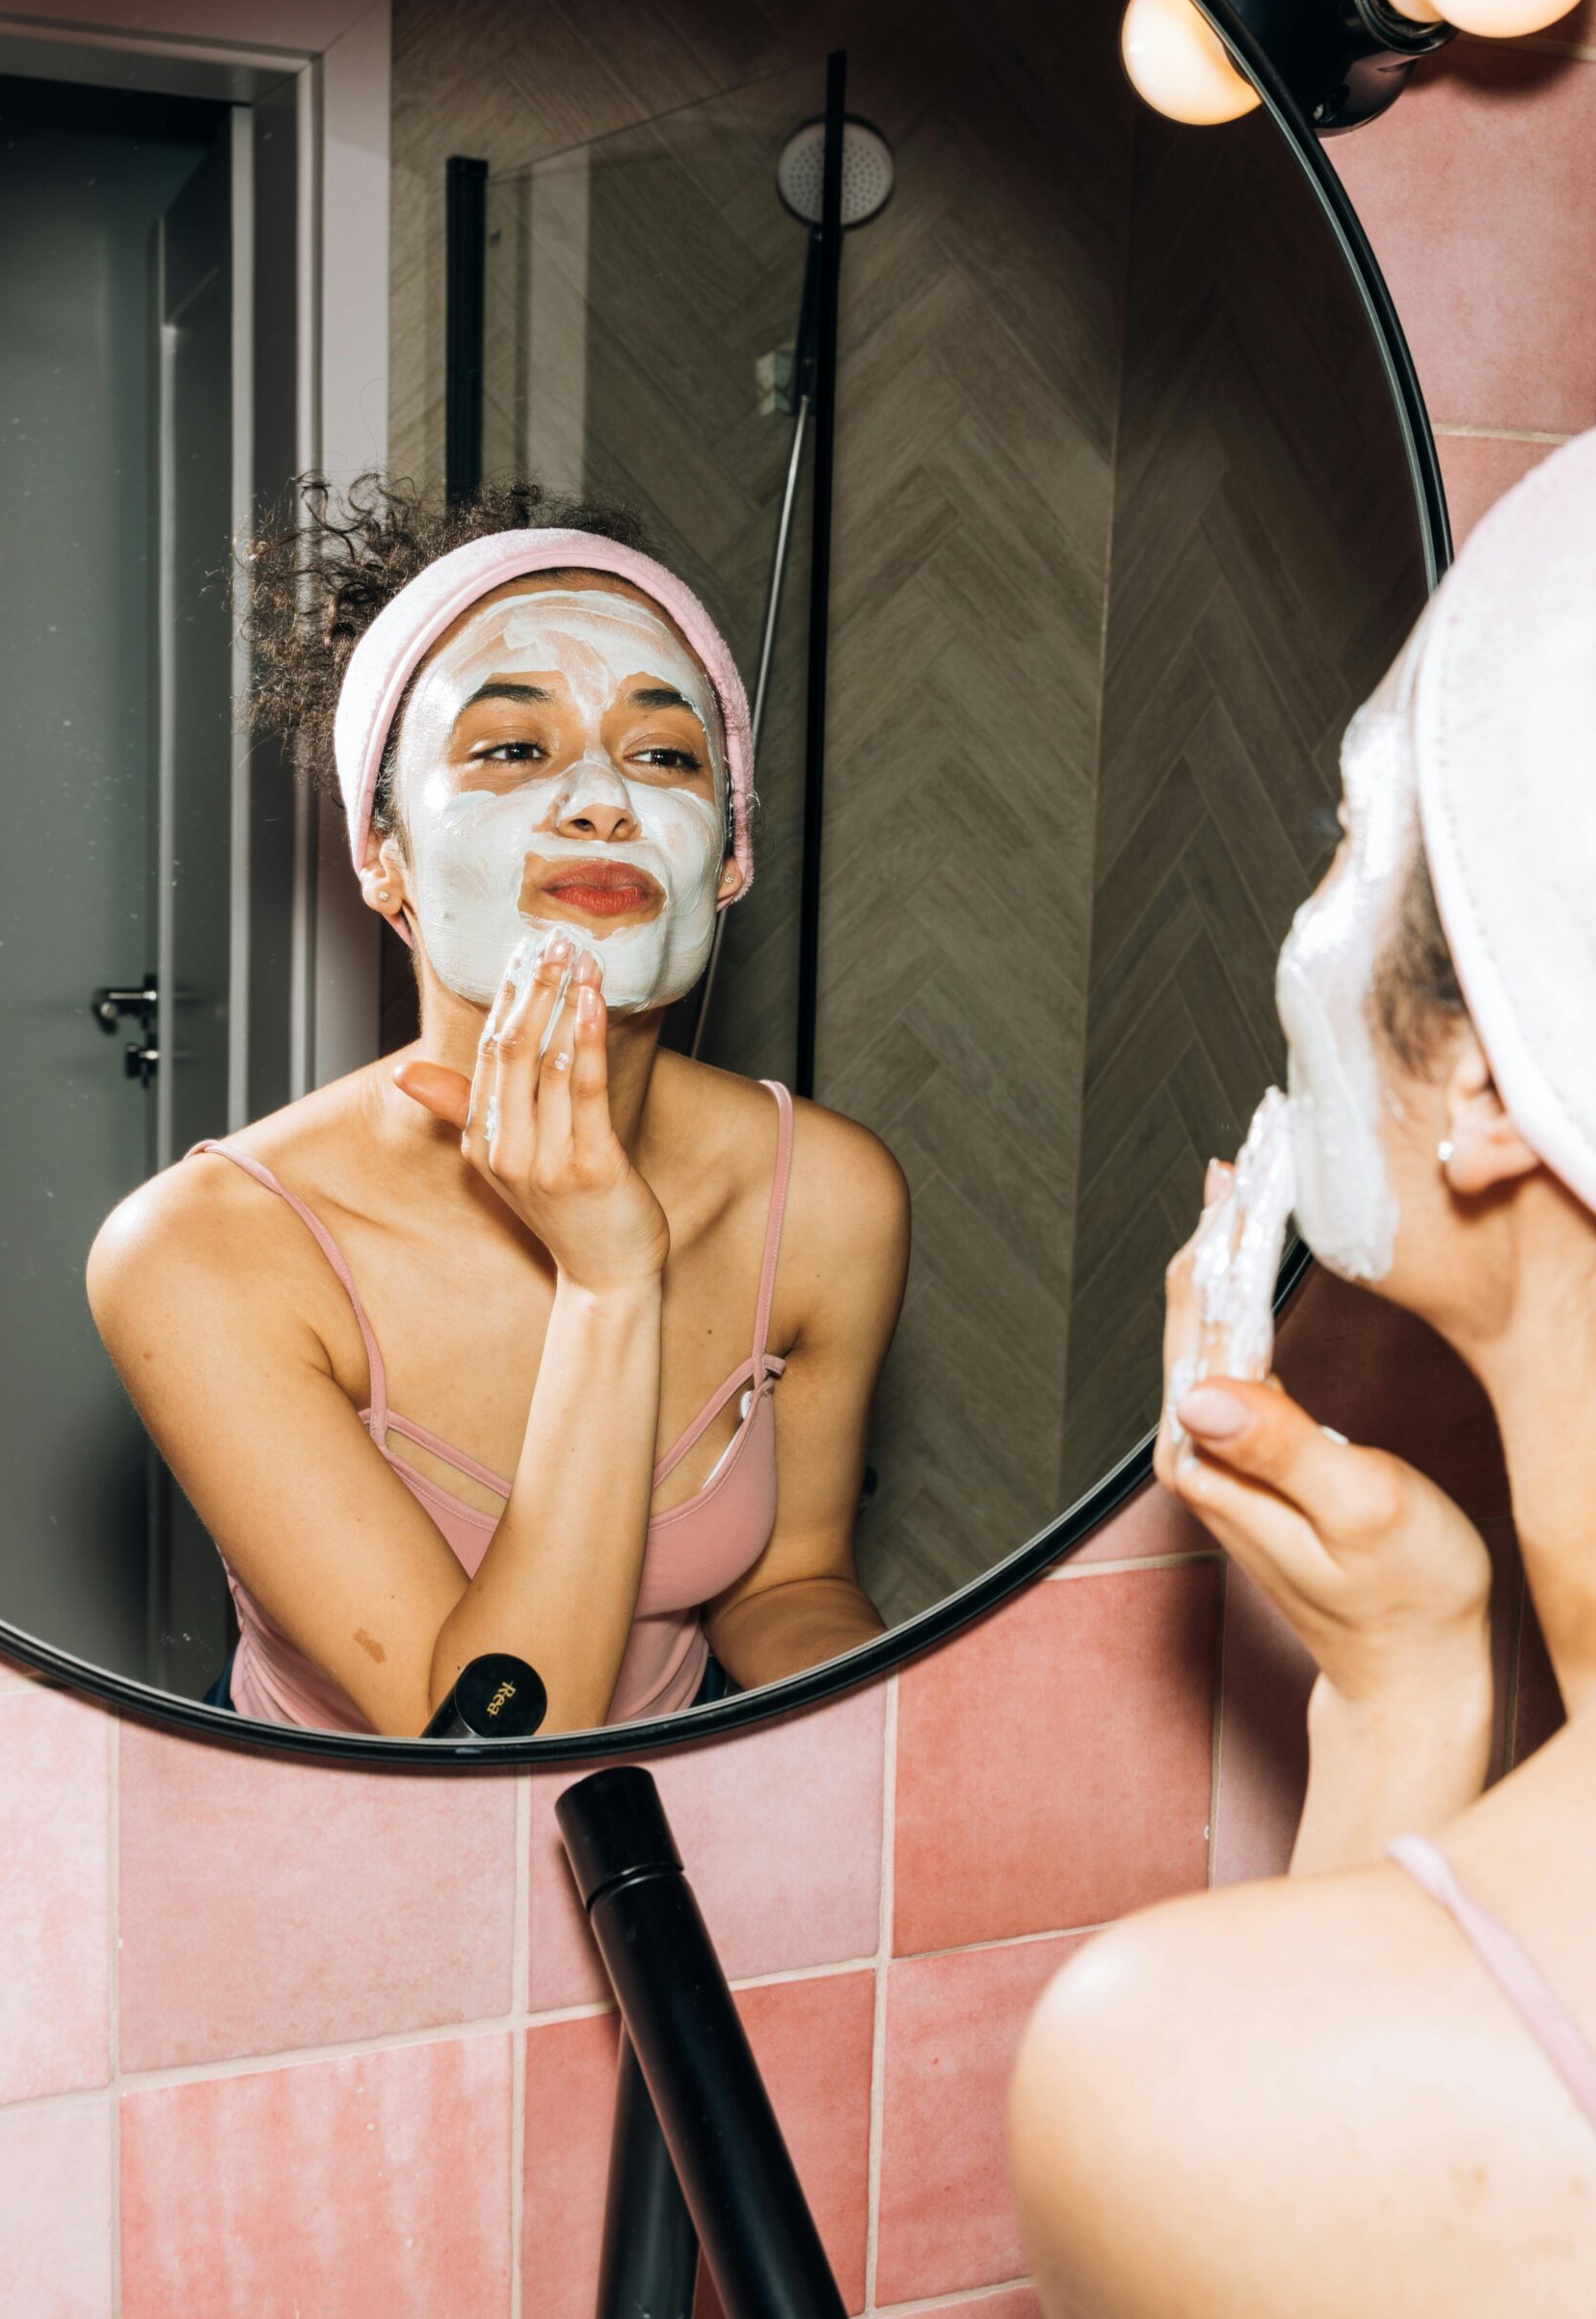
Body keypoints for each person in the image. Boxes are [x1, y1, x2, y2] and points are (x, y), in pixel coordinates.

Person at [1008, 426, 1596, 2314]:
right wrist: (1406, 1684)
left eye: (1351, 836)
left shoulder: (1181, 2075)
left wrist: (1391, 1743)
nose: (1301, 922)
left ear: (1495, 1074)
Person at [88, 477, 906, 1738]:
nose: (601, 801)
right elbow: (483, 1739)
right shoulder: (201, 1251)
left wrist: (888, 1753)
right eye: (513, 748)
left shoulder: (827, 1195)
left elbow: (791, 1582)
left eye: (665, 753)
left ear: (729, 855)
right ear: (385, 856)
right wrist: (609, 1281)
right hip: (332, 1851)